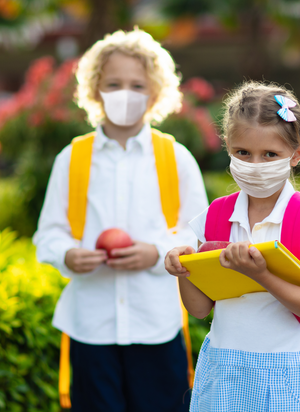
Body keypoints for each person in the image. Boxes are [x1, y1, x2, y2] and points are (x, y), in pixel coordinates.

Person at [33, 28, 208, 412]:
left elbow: (199, 235)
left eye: (136, 84)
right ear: (94, 90)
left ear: (156, 92)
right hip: (90, 328)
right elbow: (48, 233)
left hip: (157, 326)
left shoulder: (175, 158)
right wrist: (67, 255)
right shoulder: (72, 158)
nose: (125, 93)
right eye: (113, 83)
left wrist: (157, 251)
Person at [164, 81, 300, 412]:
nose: (255, 165)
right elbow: (199, 308)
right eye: (243, 153)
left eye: (270, 154)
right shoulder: (214, 216)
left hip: (285, 368)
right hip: (224, 367)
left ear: (296, 154)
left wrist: (262, 275)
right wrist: (184, 269)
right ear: (227, 146)